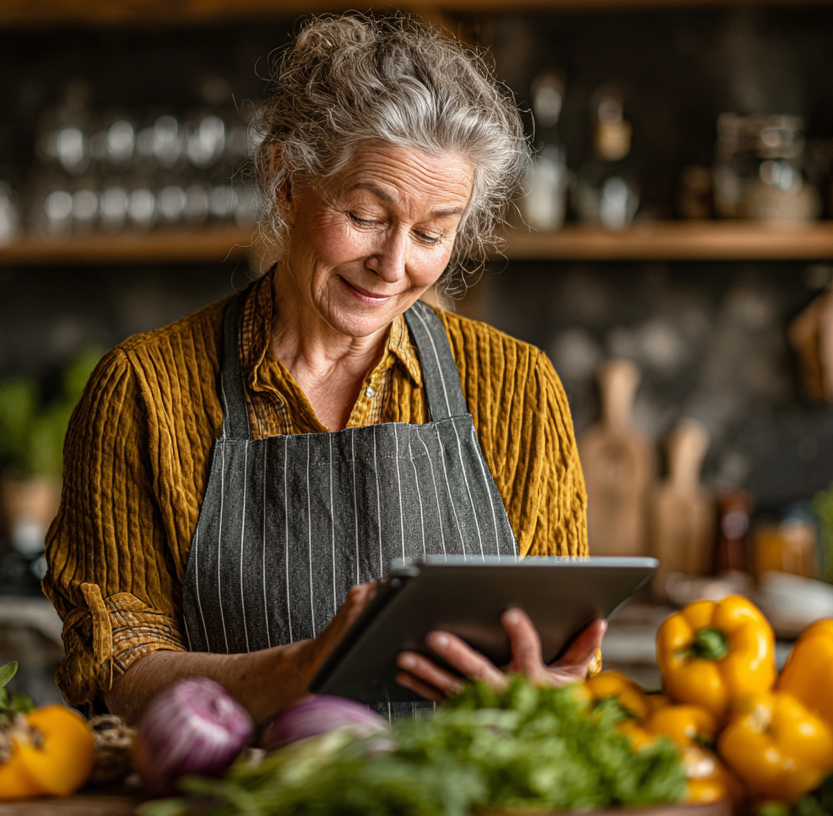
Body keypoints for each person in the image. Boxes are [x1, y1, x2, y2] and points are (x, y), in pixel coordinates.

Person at [44, 12, 600, 725]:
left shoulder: (518, 388)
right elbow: (120, 669)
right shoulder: (147, 391)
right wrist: (307, 670)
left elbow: (568, 661)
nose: (395, 265)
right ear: (285, 181)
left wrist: (547, 694)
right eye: (366, 216)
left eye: (434, 232)